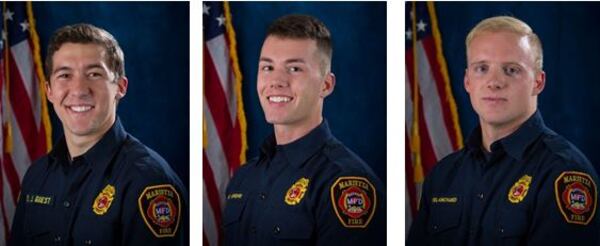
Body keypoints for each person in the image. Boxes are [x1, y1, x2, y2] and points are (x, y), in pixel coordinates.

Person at [407, 16, 600, 245]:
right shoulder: (443, 175)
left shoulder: (563, 174)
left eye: (511, 70)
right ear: (468, 81)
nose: (494, 82)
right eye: (482, 68)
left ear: (538, 82)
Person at [9, 23, 187, 245]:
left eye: (94, 74)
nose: (79, 90)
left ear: (120, 87)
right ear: (49, 91)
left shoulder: (149, 182)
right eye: (65, 75)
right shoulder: (37, 176)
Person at [223, 14, 386, 245]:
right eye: (267, 67)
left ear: (326, 85)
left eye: (294, 69)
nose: (276, 81)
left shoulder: (345, 184)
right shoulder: (243, 178)